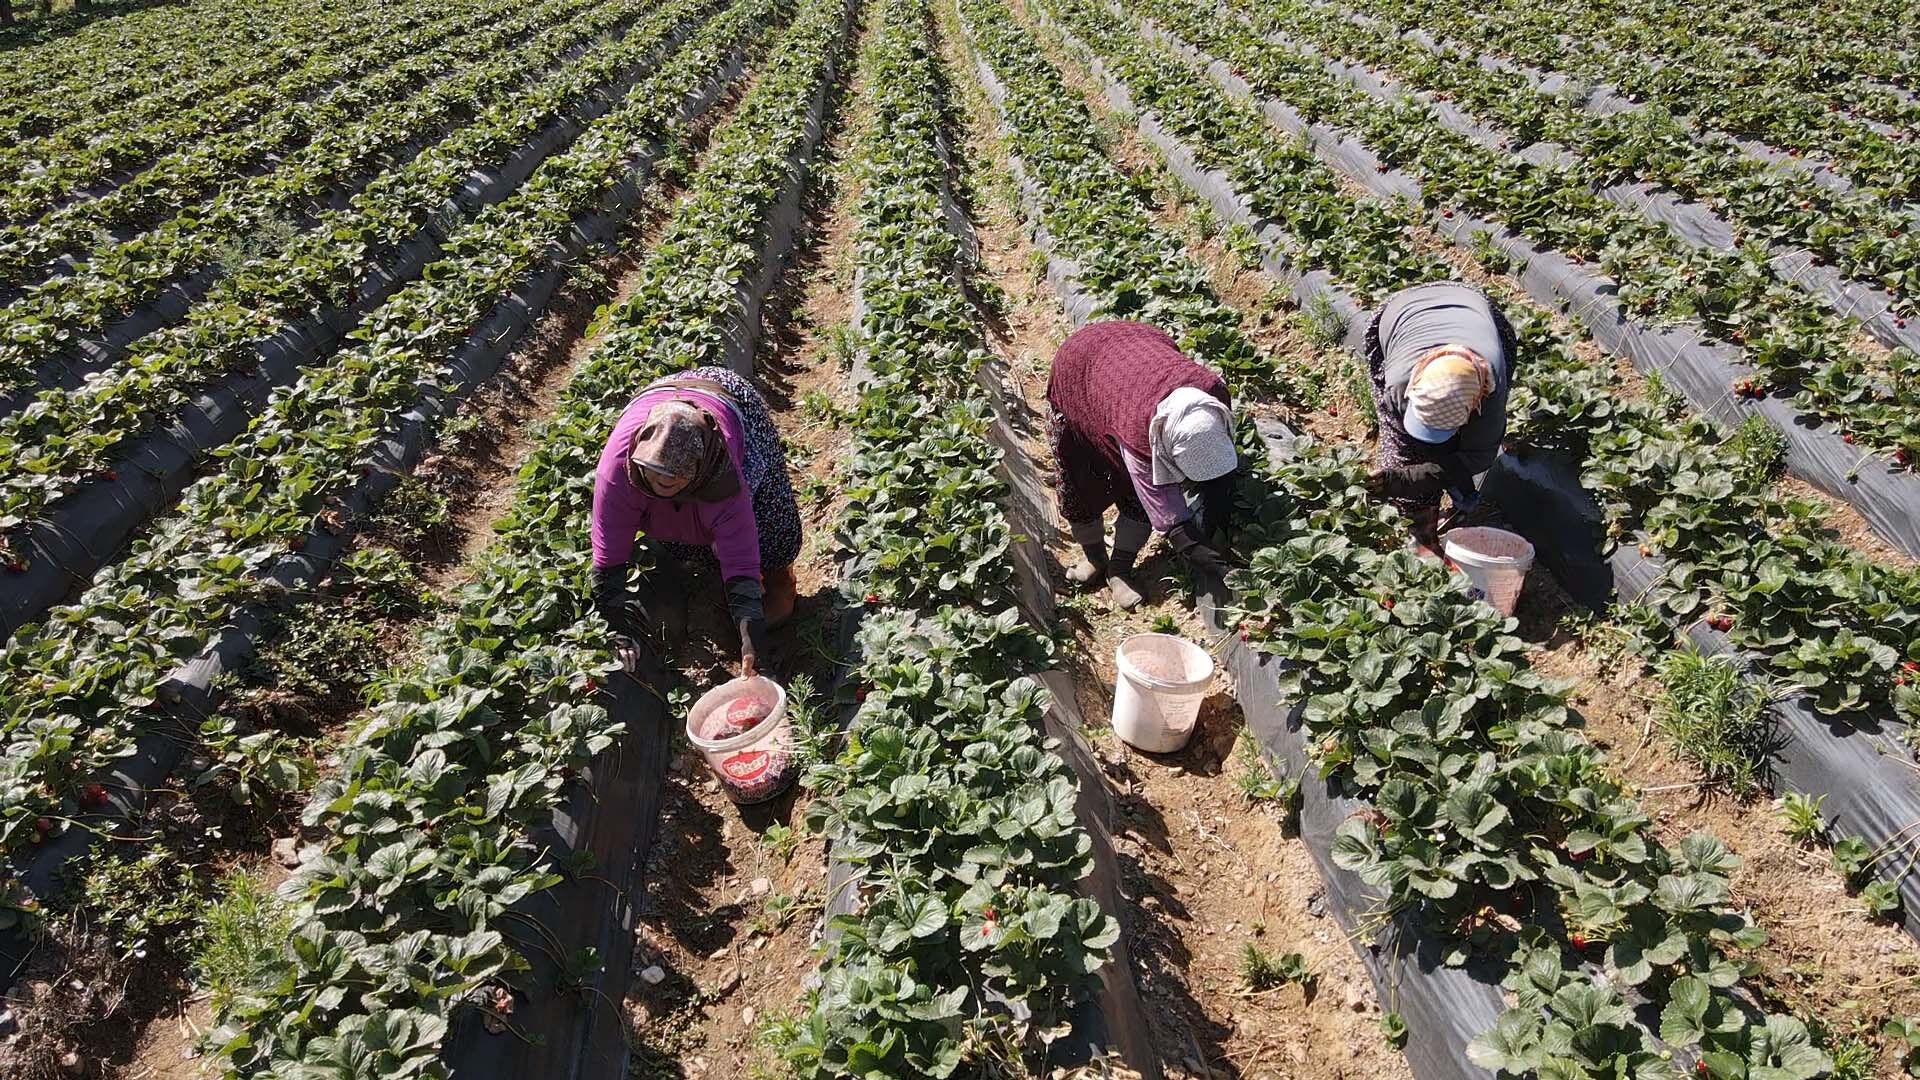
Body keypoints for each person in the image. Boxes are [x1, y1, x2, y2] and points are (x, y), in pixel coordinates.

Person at [589, 367, 802, 676]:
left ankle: (780, 578)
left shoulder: (723, 475)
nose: (661, 482)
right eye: (654, 476)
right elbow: (609, 559)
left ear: (698, 475)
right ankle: (716, 582)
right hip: (664, 398)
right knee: (680, 539)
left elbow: (742, 564)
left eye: (672, 480)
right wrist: (619, 627)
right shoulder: (618, 472)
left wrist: (751, 641)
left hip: (732, 401)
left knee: (770, 529)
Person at [1046, 321, 1237, 611]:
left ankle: (1119, 569)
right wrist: (1207, 557)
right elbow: (1168, 517)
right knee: (1080, 481)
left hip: (1134, 350)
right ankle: (1096, 559)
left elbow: (1217, 470)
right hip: (1080, 370)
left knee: (1137, 497)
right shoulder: (1138, 433)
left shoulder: (1213, 394)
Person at [1363, 282, 1515, 543]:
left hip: (1473, 308)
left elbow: (1477, 457)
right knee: (1404, 449)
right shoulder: (1399, 382)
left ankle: (1454, 498)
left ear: (1474, 406)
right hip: (1404, 311)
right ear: (1413, 391)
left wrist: (1422, 475)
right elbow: (1403, 447)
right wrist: (1397, 478)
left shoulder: (1491, 391)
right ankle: (1419, 529)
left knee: (1454, 453)